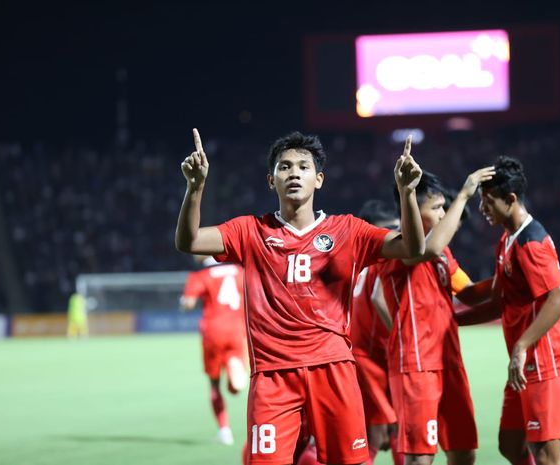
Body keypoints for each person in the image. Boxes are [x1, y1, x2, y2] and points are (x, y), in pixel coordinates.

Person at [175, 129, 425, 465]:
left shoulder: (348, 230)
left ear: (319, 179)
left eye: (304, 167)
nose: (294, 173)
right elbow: (189, 242)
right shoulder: (250, 231)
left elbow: (412, 247)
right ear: (271, 180)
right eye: (285, 167)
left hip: (333, 368)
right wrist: (195, 188)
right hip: (273, 375)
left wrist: (407, 193)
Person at [456, 156, 560, 465]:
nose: (482, 209)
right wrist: (450, 320)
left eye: (488, 201)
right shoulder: (507, 240)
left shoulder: (531, 242)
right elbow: (500, 302)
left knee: (547, 455)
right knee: (510, 443)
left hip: (547, 362)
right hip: (528, 364)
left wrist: (522, 346)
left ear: (511, 199)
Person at [377, 167, 495, 465]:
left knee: (464, 452)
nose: (444, 214)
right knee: (420, 458)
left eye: (445, 206)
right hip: (417, 365)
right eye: (437, 207)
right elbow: (427, 248)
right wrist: (465, 195)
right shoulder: (398, 245)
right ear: (413, 210)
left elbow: (469, 292)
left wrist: (508, 276)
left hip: (449, 362)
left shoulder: (443, 254)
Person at [349, 199, 401, 465]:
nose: (393, 235)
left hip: (373, 357)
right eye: (387, 229)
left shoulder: (356, 264)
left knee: (377, 434)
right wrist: (404, 338)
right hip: (372, 361)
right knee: (390, 432)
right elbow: (380, 298)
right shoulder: (380, 261)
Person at [181, 255, 248, 445]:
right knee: (234, 375)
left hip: (213, 332)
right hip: (238, 329)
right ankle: (234, 375)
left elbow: (188, 304)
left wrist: (183, 302)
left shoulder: (200, 275)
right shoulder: (239, 270)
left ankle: (224, 431)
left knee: (214, 384)